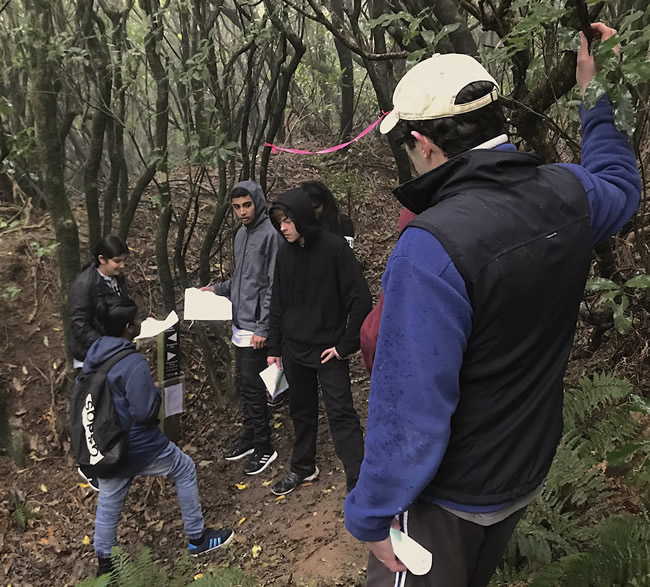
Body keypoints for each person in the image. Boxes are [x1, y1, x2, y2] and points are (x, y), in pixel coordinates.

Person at [344, 23, 641, 587]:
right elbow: (621, 182)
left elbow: (410, 408)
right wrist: (597, 93)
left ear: (424, 143)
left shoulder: (430, 249)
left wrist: (372, 514)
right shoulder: (569, 194)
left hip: (447, 496)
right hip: (522, 471)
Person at [86, 295, 233, 577]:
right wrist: (154, 389)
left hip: (106, 443)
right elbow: (143, 411)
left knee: (108, 498)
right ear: (129, 327)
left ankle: (106, 566)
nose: (141, 322)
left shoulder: (94, 355)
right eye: (138, 319)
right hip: (137, 443)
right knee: (184, 468)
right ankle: (198, 538)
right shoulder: (133, 362)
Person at [266, 187, 372, 495]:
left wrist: (344, 345)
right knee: (301, 411)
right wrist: (274, 348)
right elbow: (277, 303)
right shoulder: (284, 252)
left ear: (301, 216)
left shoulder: (335, 249)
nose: (283, 227)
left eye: (287, 220)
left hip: (328, 350)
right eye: (279, 221)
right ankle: (302, 467)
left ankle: (359, 477)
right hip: (294, 349)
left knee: (341, 413)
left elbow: (361, 300)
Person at [201, 180, 279, 475]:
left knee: (254, 387)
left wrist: (263, 327)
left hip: (256, 328)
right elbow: (242, 279)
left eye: (247, 205)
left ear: (258, 201)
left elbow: (272, 285)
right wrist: (217, 289)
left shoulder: (270, 235)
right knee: (246, 387)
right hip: (240, 321)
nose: (242, 212)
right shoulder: (241, 235)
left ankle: (264, 446)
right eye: (236, 207)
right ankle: (250, 437)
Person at [68, 234, 130, 491]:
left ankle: (110, 454)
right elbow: (79, 325)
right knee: (90, 412)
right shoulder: (84, 285)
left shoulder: (117, 280)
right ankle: (88, 464)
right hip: (91, 356)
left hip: (111, 354)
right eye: (117, 261)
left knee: (109, 409)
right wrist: (106, 345)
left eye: (124, 260)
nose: (122, 266)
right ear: (101, 259)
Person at [301, 180, 355, 248]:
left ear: (325, 204)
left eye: (316, 207)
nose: (313, 212)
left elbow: (347, 253)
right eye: (308, 208)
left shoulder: (343, 222)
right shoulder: (297, 225)